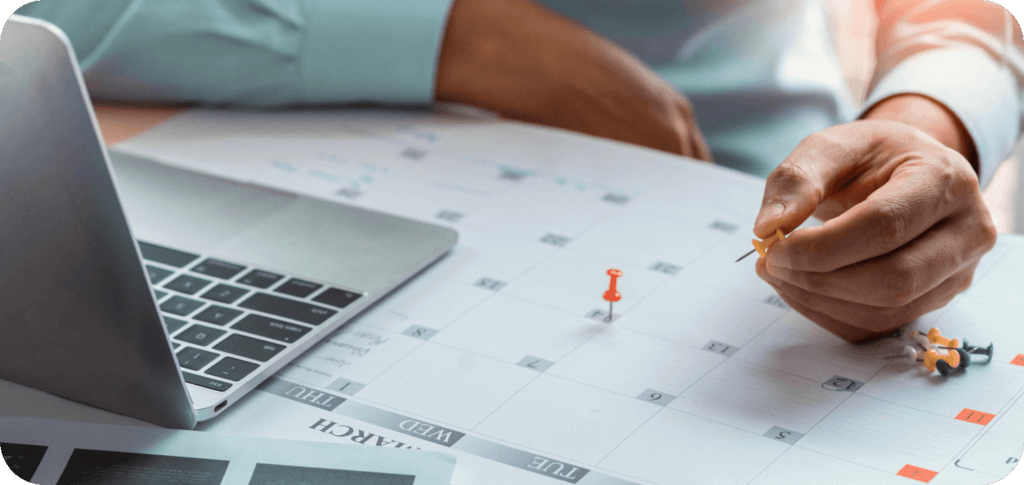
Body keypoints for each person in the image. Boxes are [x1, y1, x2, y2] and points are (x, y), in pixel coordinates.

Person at [12, 0, 1023, 342]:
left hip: (751, 199)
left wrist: (929, 120)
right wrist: (451, 37)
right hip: (294, 185)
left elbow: (958, 14)